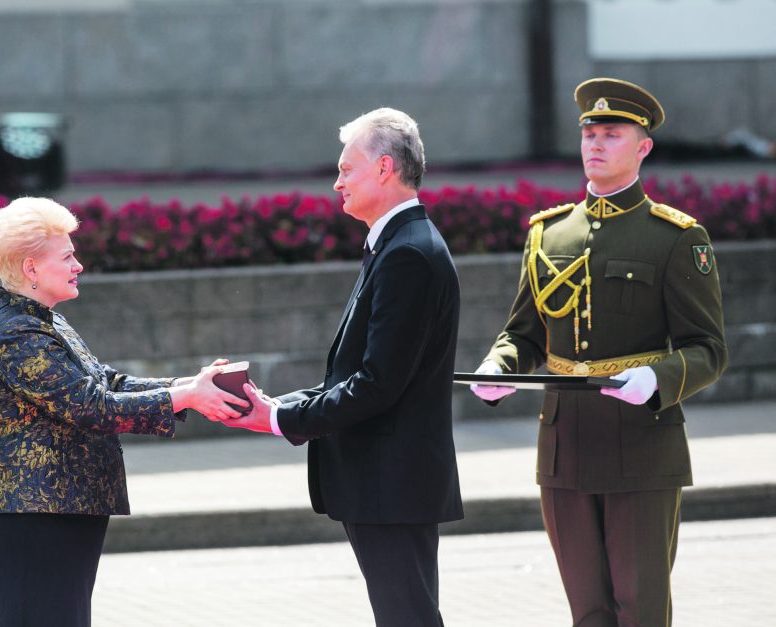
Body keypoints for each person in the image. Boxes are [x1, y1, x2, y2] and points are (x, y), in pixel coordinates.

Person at [471, 78, 728, 626]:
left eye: (612, 134)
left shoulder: (675, 237)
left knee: (640, 608)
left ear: (643, 148)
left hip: (641, 445)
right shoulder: (548, 233)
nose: (595, 143)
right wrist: (500, 365)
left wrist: (657, 377)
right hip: (565, 446)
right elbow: (524, 332)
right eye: (590, 132)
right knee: (587, 610)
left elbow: (708, 348)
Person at [224, 108, 464, 626]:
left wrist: (280, 420)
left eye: (346, 170)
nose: (336, 183)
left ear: (383, 169)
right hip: (387, 482)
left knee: (408, 618)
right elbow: (362, 372)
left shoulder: (408, 254)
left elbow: (378, 384)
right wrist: (279, 406)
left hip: (391, 484)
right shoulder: (397, 245)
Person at [0, 197, 248, 627]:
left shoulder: (41, 319)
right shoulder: (16, 332)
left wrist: (185, 387)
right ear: (31, 269)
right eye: (67, 256)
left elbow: (106, 382)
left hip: (50, 515)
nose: (78, 264)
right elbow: (90, 407)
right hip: (35, 521)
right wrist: (185, 398)